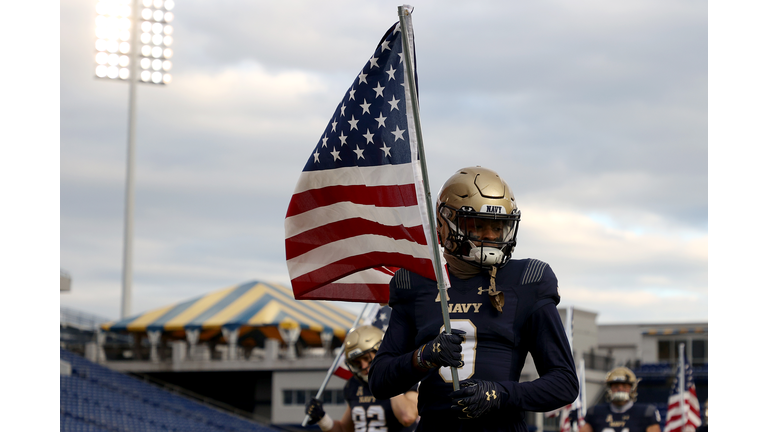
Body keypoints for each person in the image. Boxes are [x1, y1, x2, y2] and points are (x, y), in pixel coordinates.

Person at [367, 166, 579, 431]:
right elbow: (379, 381)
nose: (490, 236)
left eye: (497, 226)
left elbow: (564, 383)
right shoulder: (416, 282)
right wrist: (424, 356)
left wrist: (501, 394)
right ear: (444, 225)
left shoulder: (527, 280)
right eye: (478, 225)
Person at [304, 325, 419, 432]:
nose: (363, 366)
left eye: (366, 358)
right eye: (357, 362)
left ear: (380, 351)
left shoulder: (403, 377)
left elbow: (407, 417)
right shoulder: (354, 384)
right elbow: (345, 429)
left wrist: (388, 380)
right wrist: (322, 419)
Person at [580, 367, 661, 432]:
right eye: (615, 386)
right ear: (609, 388)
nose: (620, 389)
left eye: (625, 386)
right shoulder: (594, 413)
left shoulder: (646, 413)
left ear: (633, 389)